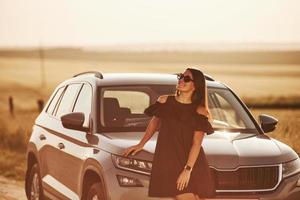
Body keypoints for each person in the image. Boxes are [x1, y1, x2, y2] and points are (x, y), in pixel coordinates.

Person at [123, 67, 216, 200]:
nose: (181, 80)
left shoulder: (200, 111)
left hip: (191, 164)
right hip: (169, 161)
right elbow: (154, 124)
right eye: (181, 76)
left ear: (196, 86)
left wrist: (187, 170)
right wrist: (141, 144)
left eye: (187, 78)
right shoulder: (164, 101)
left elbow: (196, 143)